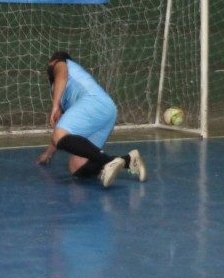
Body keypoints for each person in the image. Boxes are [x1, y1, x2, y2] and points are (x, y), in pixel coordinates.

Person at [36, 51, 147, 187]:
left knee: (59, 135)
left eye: (50, 64)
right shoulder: (64, 92)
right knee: (76, 166)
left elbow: (62, 74)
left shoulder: (61, 64)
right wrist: (48, 154)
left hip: (93, 103)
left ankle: (109, 162)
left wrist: (55, 105)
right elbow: (63, 132)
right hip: (107, 111)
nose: (49, 67)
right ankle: (129, 161)